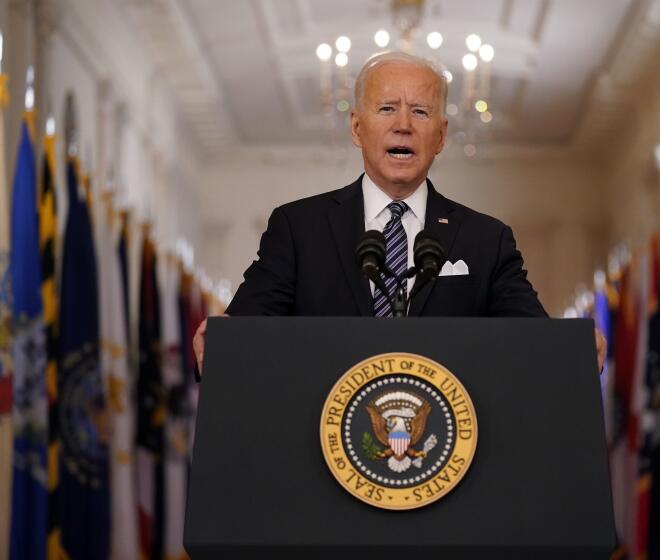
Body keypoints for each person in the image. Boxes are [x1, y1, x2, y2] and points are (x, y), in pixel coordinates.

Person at [193, 51, 606, 373]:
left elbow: (534, 338)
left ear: (441, 135)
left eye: (421, 111)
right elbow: (245, 330)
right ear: (357, 128)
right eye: (387, 108)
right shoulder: (299, 229)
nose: (403, 125)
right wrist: (222, 338)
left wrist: (572, 349)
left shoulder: (486, 240)